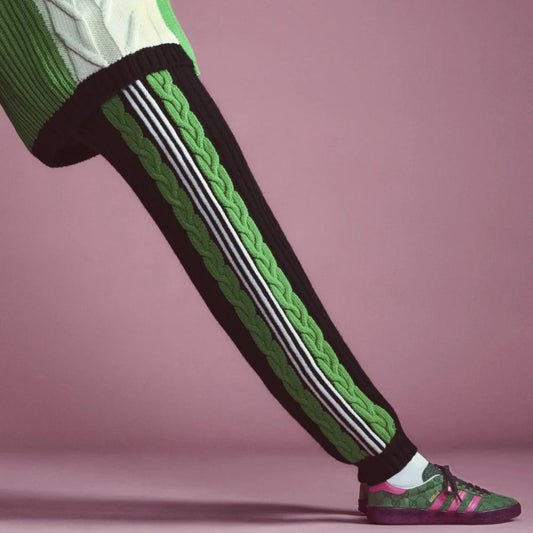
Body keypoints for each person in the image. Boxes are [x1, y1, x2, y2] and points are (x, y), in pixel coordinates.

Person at [0, 0, 521, 525]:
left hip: (92, 38)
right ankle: (395, 469)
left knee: (235, 248)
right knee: (241, 253)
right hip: (98, 33)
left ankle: (390, 464)